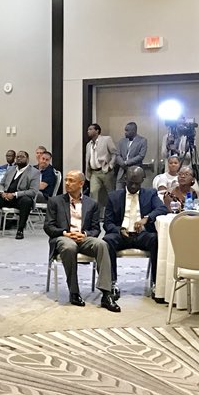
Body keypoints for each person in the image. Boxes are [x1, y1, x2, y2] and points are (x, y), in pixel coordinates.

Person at [43, 170, 119, 312]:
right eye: (66, 180)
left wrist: (84, 234)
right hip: (64, 237)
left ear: (81, 183)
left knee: (102, 244)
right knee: (69, 247)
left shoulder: (92, 204)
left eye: (71, 180)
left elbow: (96, 229)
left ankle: (106, 293)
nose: (67, 183)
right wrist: (66, 233)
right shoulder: (55, 201)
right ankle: (74, 292)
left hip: (83, 238)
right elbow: (48, 227)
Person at [103, 166, 167, 294]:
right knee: (107, 241)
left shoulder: (150, 194)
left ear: (142, 180)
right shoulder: (113, 196)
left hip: (141, 234)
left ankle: (156, 284)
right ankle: (111, 283)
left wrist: (146, 219)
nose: (133, 186)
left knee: (156, 239)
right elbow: (107, 223)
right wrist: (119, 229)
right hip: (122, 234)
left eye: (137, 183)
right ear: (125, 179)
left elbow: (162, 209)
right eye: (130, 183)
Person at [85, 123, 117, 212]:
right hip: (94, 173)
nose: (88, 131)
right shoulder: (88, 144)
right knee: (93, 192)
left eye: (90, 129)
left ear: (97, 131)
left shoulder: (106, 139)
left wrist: (110, 166)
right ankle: (94, 215)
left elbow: (114, 153)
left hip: (105, 171)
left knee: (111, 193)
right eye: (88, 130)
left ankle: (113, 213)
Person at [114, 122, 148, 190]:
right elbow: (117, 154)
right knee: (118, 191)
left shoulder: (142, 141)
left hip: (135, 171)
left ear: (133, 131)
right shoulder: (122, 141)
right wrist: (122, 163)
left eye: (127, 130)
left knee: (133, 191)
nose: (125, 133)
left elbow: (141, 156)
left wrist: (126, 162)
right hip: (122, 170)